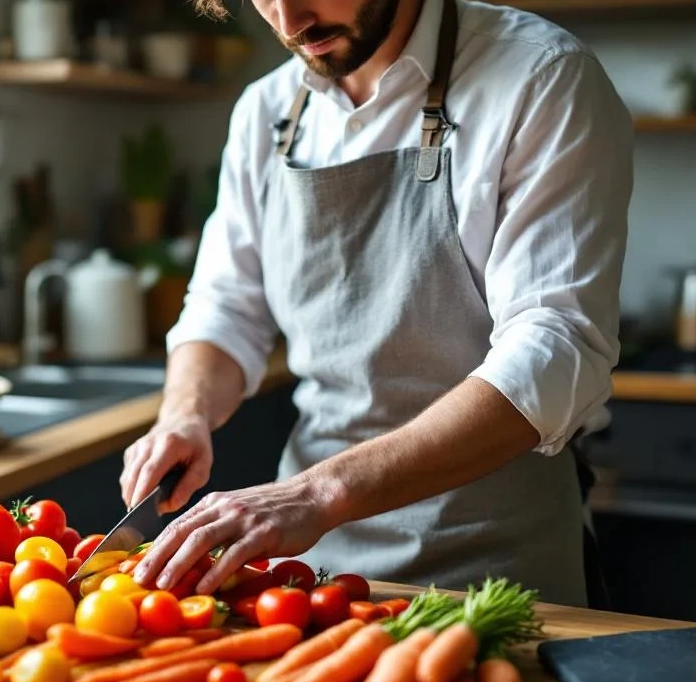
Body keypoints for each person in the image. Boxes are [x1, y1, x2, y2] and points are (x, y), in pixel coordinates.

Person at [121, 0, 632, 607]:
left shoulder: (541, 76)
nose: (288, 23)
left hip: (495, 575)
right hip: (309, 576)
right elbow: (226, 306)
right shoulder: (267, 110)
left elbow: (555, 346)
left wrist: (317, 495)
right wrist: (187, 411)